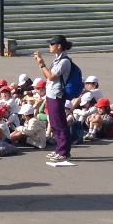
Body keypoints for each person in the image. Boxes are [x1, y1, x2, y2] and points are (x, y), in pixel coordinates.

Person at [33, 34, 73, 162]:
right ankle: (59, 149)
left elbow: (51, 77)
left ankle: (64, 151)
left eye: (51, 44)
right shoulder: (57, 60)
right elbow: (47, 75)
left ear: (59, 46)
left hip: (57, 95)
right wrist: (41, 64)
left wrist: (42, 63)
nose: (49, 46)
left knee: (60, 123)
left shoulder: (64, 61)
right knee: (54, 123)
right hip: (51, 94)